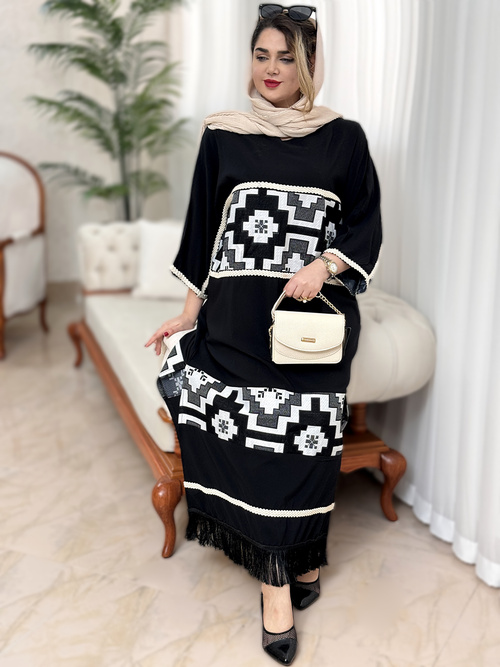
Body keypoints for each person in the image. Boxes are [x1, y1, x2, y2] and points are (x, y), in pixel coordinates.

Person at [146, 5, 381, 664]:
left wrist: (324, 265)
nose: (272, 70)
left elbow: (365, 224)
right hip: (236, 319)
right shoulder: (224, 134)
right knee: (242, 430)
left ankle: (300, 552)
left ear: (309, 65)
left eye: (287, 58)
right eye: (262, 55)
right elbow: (202, 232)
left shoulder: (343, 138)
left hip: (311, 323)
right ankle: (277, 583)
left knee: (305, 441)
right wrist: (188, 312)